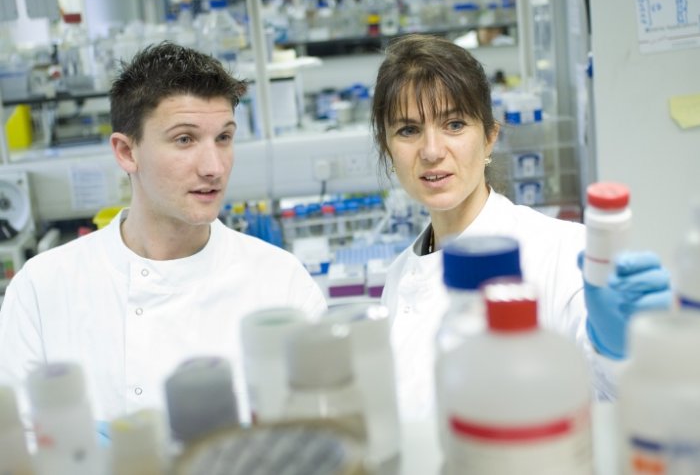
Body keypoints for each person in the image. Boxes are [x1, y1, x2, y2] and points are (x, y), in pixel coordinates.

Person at [0, 42, 327, 424]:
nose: (214, 167)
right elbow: (16, 447)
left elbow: (321, 439)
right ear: (126, 152)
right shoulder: (43, 289)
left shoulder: (280, 284)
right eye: (184, 139)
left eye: (223, 137)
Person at [370, 34, 671, 421]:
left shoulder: (563, 251)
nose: (431, 151)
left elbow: (620, 401)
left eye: (455, 124)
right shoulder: (398, 277)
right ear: (388, 148)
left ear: (490, 137)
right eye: (408, 130)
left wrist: (619, 349)